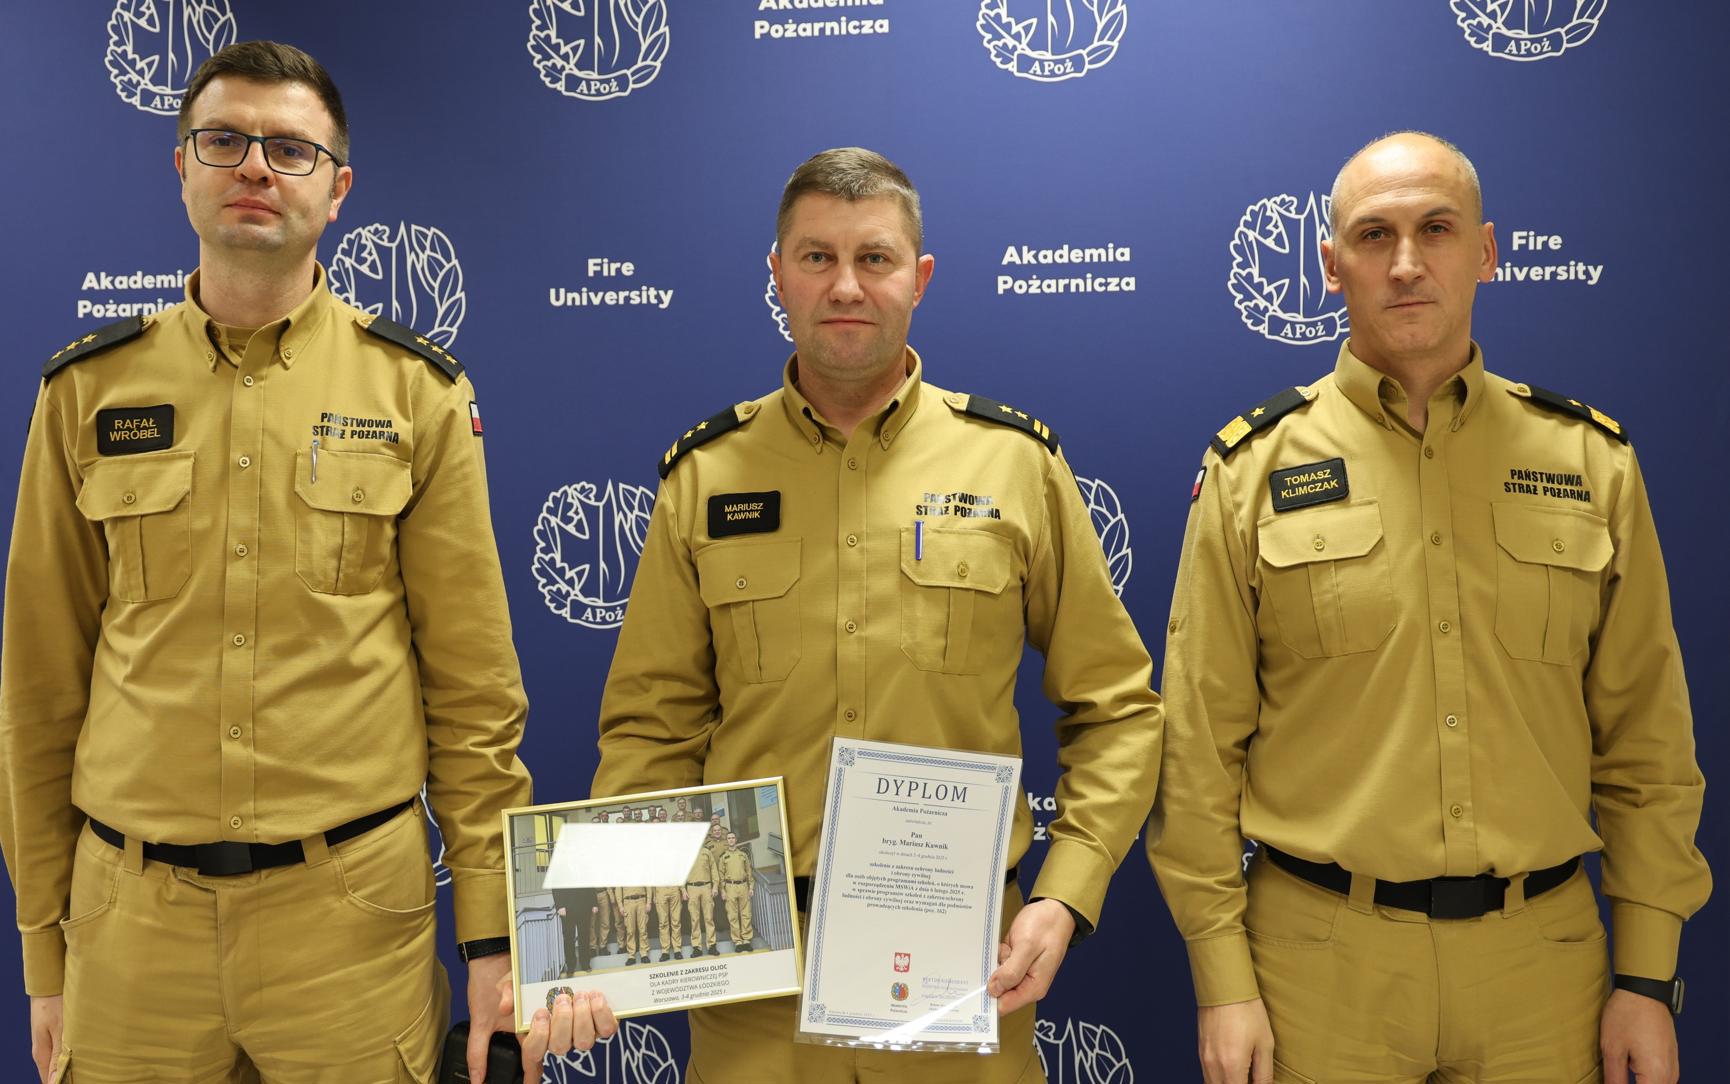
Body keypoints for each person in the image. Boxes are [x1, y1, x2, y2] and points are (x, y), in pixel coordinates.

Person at [0, 40, 534, 1084]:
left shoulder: (415, 393)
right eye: (225, 140)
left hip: (349, 925)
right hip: (129, 932)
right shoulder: (85, 394)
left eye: (291, 149)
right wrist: (42, 947)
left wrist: (493, 937)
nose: (254, 165)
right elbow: (38, 692)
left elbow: (475, 694)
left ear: (338, 190)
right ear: (182, 167)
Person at [588, 146, 1163, 1083]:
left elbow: (1118, 710)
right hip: (752, 980)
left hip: (963, 968)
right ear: (778, 275)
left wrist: (1064, 895)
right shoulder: (704, 476)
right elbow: (652, 731)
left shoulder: (1015, 465)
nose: (846, 285)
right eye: (817, 257)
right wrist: (617, 929)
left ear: (920, 278)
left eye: (875, 258)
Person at [1146, 131, 1710, 1084]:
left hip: (1544, 972)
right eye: (1375, 235)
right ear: (1331, 266)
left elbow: (1648, 741)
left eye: (1436, 230)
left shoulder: (1590, 461)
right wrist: (1221, 978)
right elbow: (1199, 749)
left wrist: (1648, 974)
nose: (1406, 263)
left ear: (1486, 252)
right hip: (1318, 973)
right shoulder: (1253, 469)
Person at [718, 832, 756, 953]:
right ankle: (738, 941)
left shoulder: (743, 855)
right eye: (729, 838)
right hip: (730, 887)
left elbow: (749, 871)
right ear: (727, 841)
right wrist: (722, 890)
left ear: (736, 840)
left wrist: (751, 887)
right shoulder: (723, 857)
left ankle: (747, 940)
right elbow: (720, 875)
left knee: (746, 914)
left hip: (743, 886)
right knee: (732, 915)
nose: (731, 840)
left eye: (733, 838)